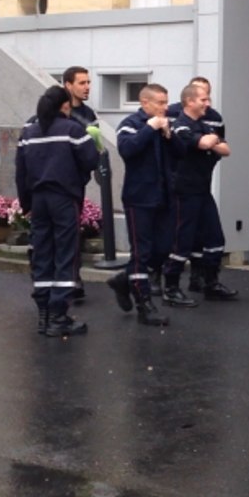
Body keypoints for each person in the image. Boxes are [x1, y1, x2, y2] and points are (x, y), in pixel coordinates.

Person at [15, 86, 99, 337]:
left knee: (42, 253)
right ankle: (59, 315)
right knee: (66, 254)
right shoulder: (72, 129)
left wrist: (26, 203)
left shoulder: (28, 132)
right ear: (65, 105)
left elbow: (21, 172)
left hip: (38, 200)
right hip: (64, 199)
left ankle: (44, 313)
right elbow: (91, 160)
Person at [165, 83, 238, 304]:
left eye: (208, 99)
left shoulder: (204, 124)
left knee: (216, 238)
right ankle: (171, 287)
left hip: (203, 191)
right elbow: (205, 142)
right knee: (183, 242)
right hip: (184, 192)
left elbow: (226, 150)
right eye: (203, 100)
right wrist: (211, 141)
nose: (208, 103)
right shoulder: (180, 126)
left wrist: (211, 141)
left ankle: (211, 283)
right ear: (189, 101)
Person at [107, 83, 173, 327]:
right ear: (145, 103)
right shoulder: (131, 124)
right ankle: (144, 305)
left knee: (163, 248)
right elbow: (127, 149)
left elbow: (179, 154)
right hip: (139, 197)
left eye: (166, 102)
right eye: (160, 103)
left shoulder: (165, 123)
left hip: (163, 196)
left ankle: (124, 279)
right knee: (141, 252)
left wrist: (169, 135)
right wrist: (149, 128)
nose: (165, 108)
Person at [62, 66, 99, 302]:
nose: (87, 87)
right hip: (56, 180)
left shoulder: (88, 114)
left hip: (76, 182)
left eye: (88, 83)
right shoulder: (57, 109)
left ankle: (74, 278)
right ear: (68, 85)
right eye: (82, 83)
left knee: (73, 232)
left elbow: (93, 146)